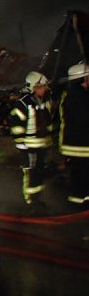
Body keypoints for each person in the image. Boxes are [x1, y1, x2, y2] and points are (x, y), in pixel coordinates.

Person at [8, 71, 54, 204]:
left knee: (39, 172)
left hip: (41, 145)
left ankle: (37, 198)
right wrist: (21, 144)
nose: (43, 89)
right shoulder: (22, 104)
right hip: (29, 147)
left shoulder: (45, 101)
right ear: (33, 87)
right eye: (40, 86)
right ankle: (30, 201)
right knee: (30, 173)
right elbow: (16, 125)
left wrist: (49, 140)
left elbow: (48, 122)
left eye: (44, 86)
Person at [59, 61, 89, 204]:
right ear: (83, 79)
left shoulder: (69, 96)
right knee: (82, 174)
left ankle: (79, 200)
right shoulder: (80, 97)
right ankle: (78, 203)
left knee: (79, 174)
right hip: (82, 145)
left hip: (75, 144)